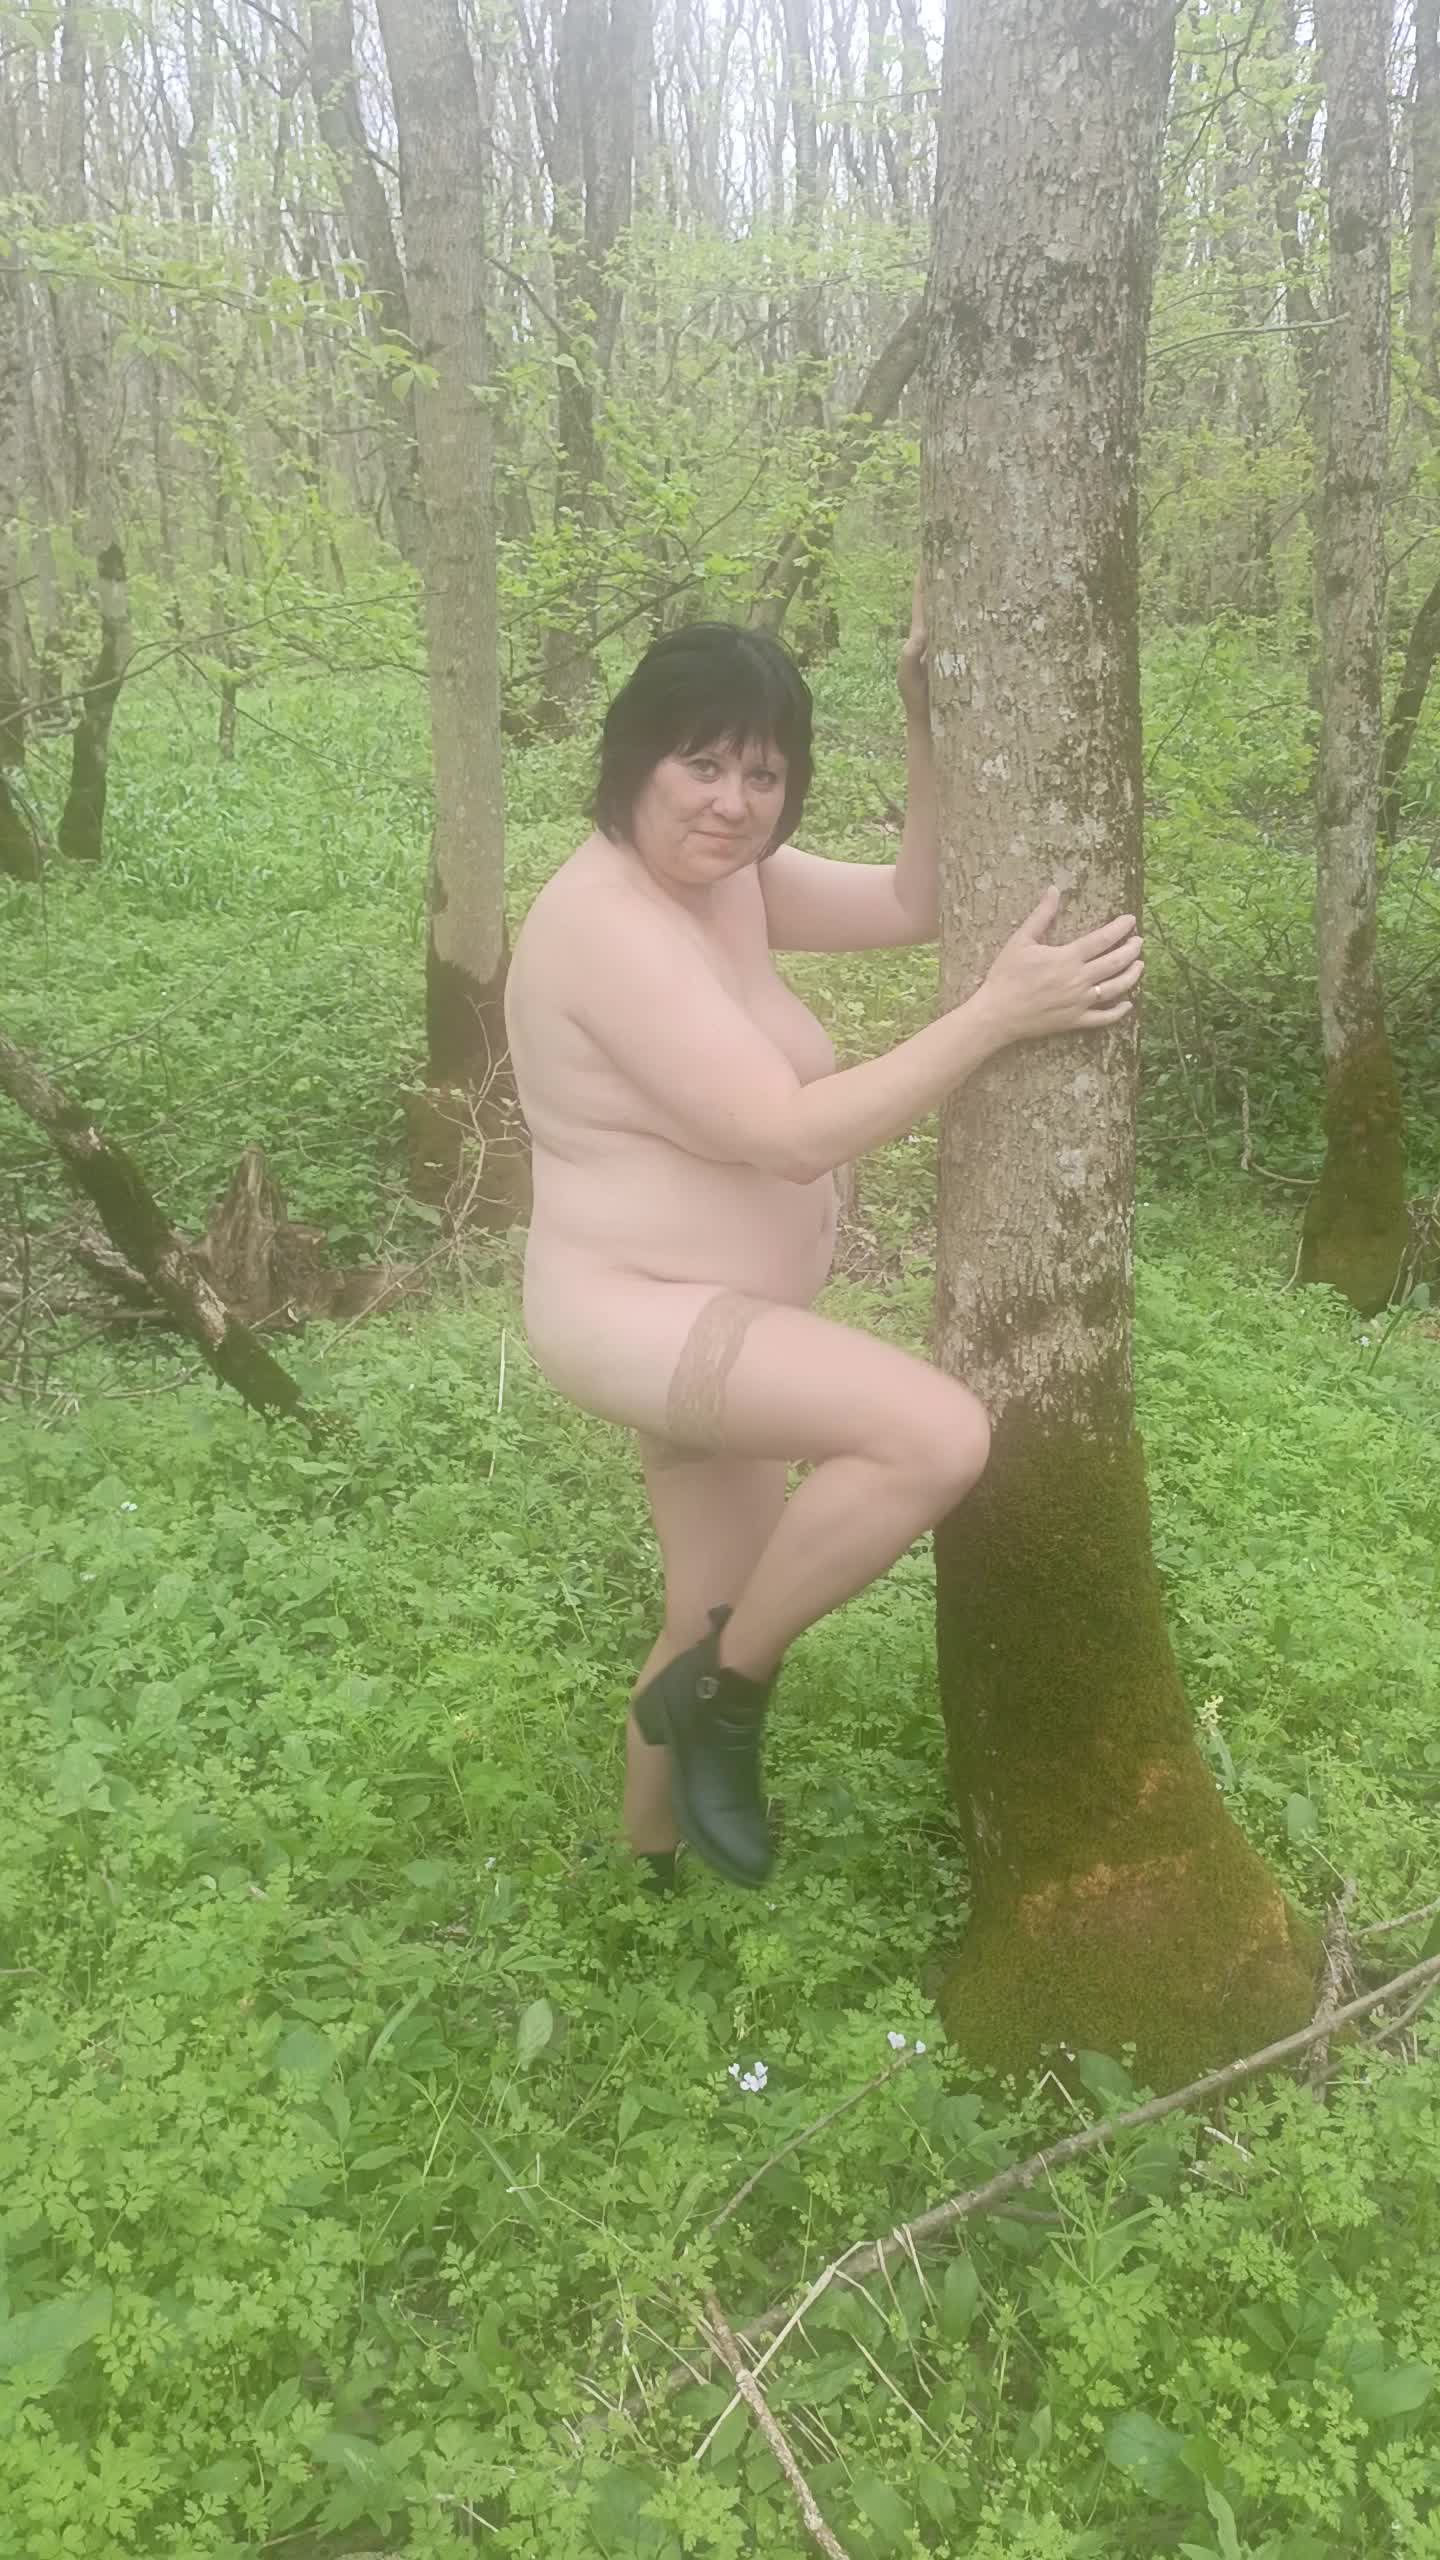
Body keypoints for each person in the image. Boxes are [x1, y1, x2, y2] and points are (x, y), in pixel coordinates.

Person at [503, 587, 1143, 1892]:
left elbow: (914, 899)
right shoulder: (605, 924)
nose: (733, 802)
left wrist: (925, 718)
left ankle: (650, 1865)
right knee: (934, 1436)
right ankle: (726, 1697)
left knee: (707, 1598)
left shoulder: (727, 879)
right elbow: (788, 1135)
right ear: (634, 757)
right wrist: (996, 1016)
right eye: (702, 764)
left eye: (764, 773)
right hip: (640, 1309)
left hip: (709, 1306)